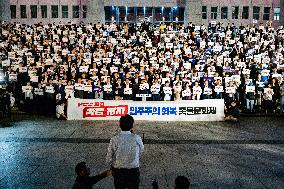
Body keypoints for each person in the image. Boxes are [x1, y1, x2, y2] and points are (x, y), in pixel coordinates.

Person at [106, 114, 144, 189]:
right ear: (132, 126)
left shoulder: (114, 139)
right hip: (133, 171)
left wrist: (112, 166)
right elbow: (141, 150)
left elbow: (109, 157)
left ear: (120, 125)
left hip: (119, 172)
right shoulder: (137, 138)